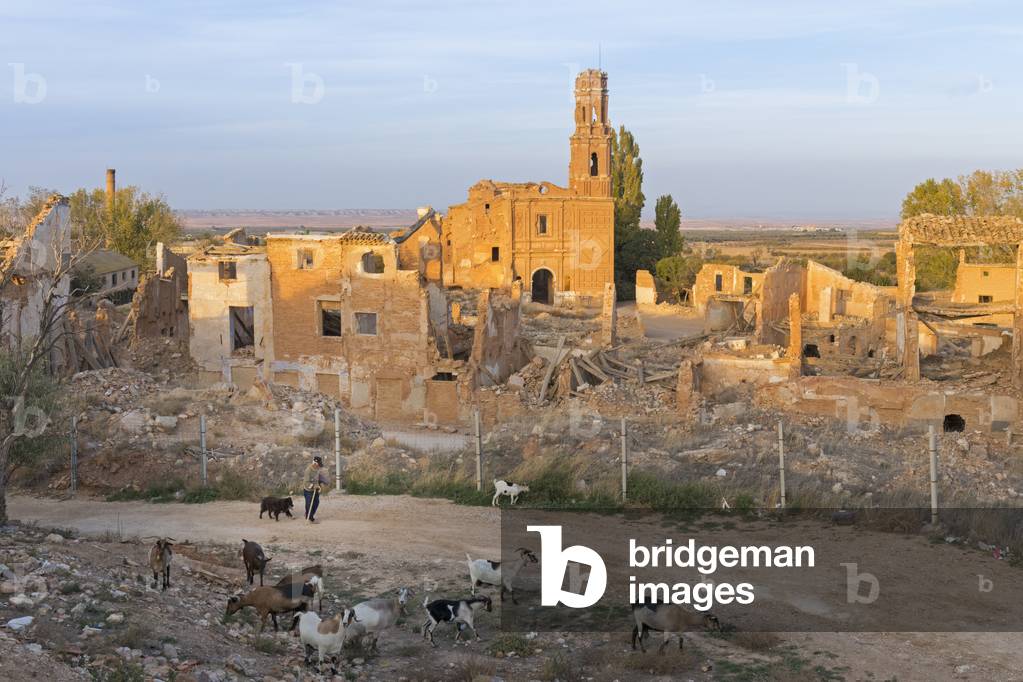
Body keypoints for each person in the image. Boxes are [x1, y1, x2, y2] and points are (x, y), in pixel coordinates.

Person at [303, 456, 326, 523]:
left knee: (316, 503)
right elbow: (306, 483)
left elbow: (318, 479)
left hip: (316, 489)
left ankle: (310, 514)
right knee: (309, 504)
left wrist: (320, 485)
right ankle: (309, 517)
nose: (319, 466)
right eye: (318, 464)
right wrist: (313, 486)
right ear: (315, 463)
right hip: (308, 490)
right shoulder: (308, 470)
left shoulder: (317, 469)